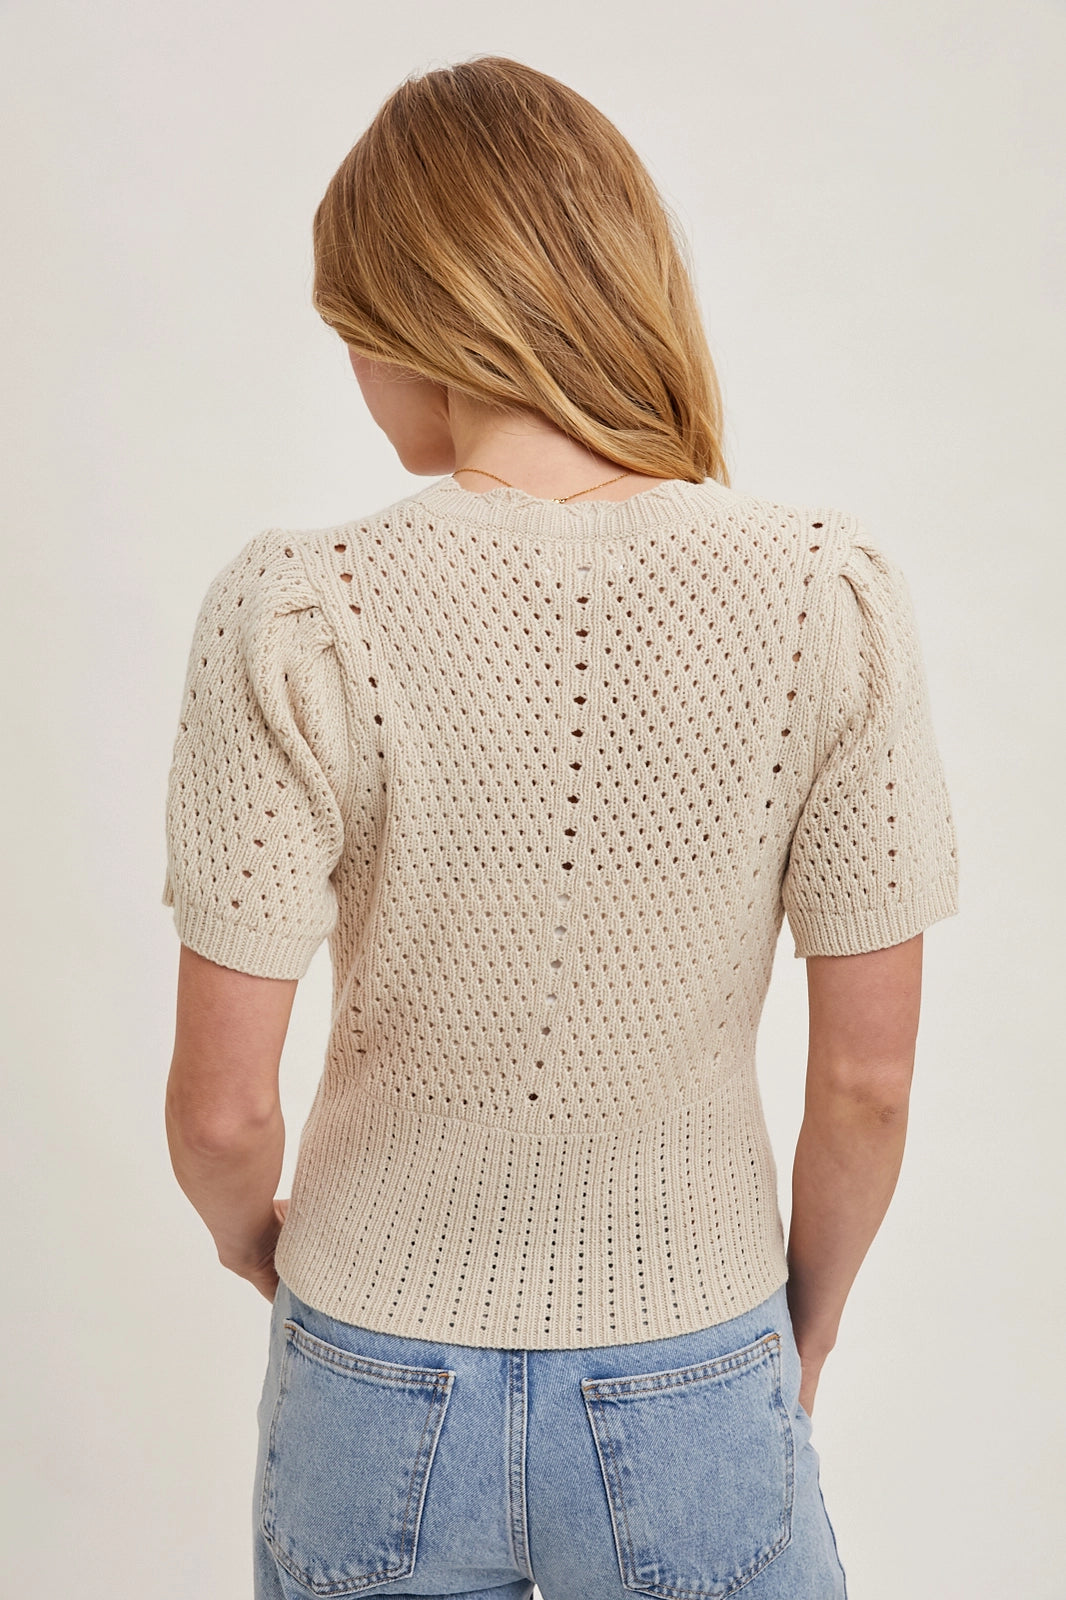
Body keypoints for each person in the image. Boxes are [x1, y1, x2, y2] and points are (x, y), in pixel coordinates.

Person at [161, 54, 959, 1600]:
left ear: (423, 314)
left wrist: (252, 1243)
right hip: (695, 1352)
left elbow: (220, 1116)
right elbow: (866, 1081)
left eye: (352, 327)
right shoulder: (826, 593)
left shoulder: (295, 609)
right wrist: (802, 1326)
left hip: (367, 1368)